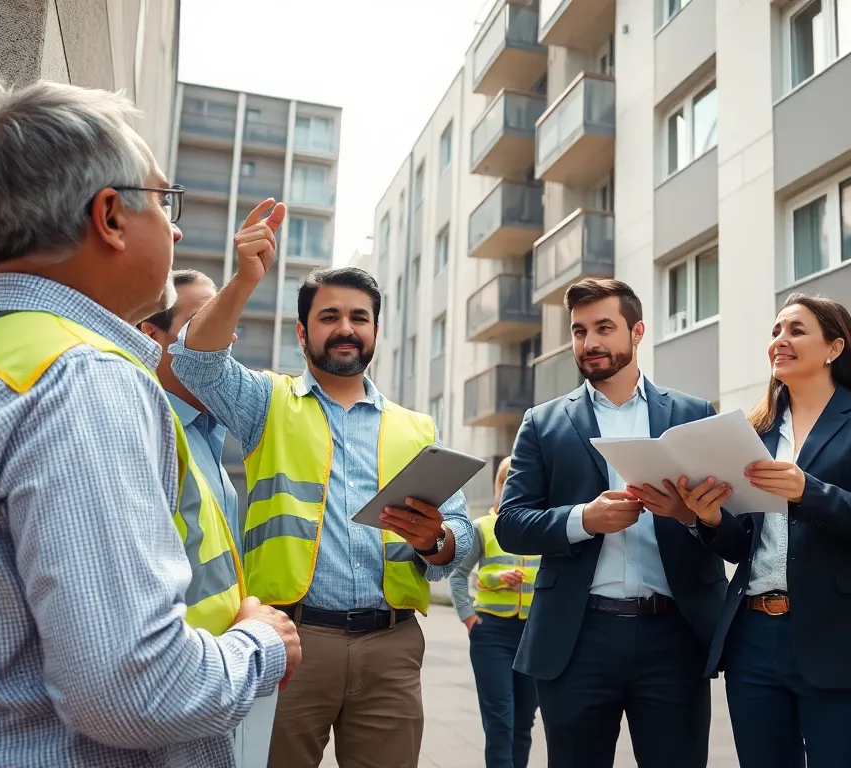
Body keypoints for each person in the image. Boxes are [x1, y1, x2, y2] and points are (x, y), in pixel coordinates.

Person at [0, 79, 297, 767]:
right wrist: (260, 644)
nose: (175, 229)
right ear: (109, 216)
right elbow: (131, 690)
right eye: (164, 201)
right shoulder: (84, 378)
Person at [168, 212, 476, 768]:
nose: (346, 328)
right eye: (329, 316)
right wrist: (243, 279)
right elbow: (194, 362)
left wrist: (438, 541)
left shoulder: (416, 429)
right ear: (302, 331)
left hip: (391, 648)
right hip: (292, 640)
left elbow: (462, 541)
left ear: (376, 331)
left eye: (360, 317)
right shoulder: (266, 402)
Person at [495, 278, 727, 768]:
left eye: (604, 327)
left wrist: (691, 517)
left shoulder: (693, 414)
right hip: (578, 639)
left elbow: (728, 529)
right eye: (579, 331)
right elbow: (511, 524)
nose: (590, 342)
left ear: (637, 331)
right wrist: (585, 519)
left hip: (675, 636)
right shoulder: (543, 421)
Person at [680, 294, 851, 768]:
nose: (779, 342)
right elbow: (742, 545)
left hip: (838, 638)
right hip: (752, 638)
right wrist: (707, 520)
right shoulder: (755, 430)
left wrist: (808, 491)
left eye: (795, 331)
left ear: (834, 347)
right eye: (775, 332)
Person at [139, 268, 278, 768]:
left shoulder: (210, 440)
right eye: (201, 319)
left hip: (220, 677)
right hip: (173, 690)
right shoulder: (150, 430)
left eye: (228, 319)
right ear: (150, 335)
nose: (225, 333)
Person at [450, 456, 541, 768]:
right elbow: (459, 574)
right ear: (497, 487)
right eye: (506, 481)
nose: (512, 488)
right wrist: (469, 617)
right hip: (491, 634)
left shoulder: (541, 527)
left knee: (524, 721)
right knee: (500, 720)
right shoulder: (483, 527)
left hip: (533, 636)